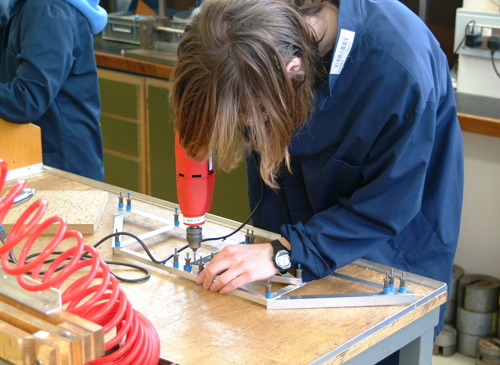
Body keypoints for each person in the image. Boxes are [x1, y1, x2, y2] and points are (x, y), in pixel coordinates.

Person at [172, 0, 464, 363]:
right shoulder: (244, 24)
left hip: (384, 247)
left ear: (291, 70)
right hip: (285, 244)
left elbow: (387, 204)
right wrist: (279, 253)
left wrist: (287, 253)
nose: (251, 128)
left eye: (254, 115)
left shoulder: (398, 66)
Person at [0, 0, 107, 181]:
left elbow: (28, 100)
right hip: (43, 154)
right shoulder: (26, 6)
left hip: (60, 163)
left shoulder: (47, 9)